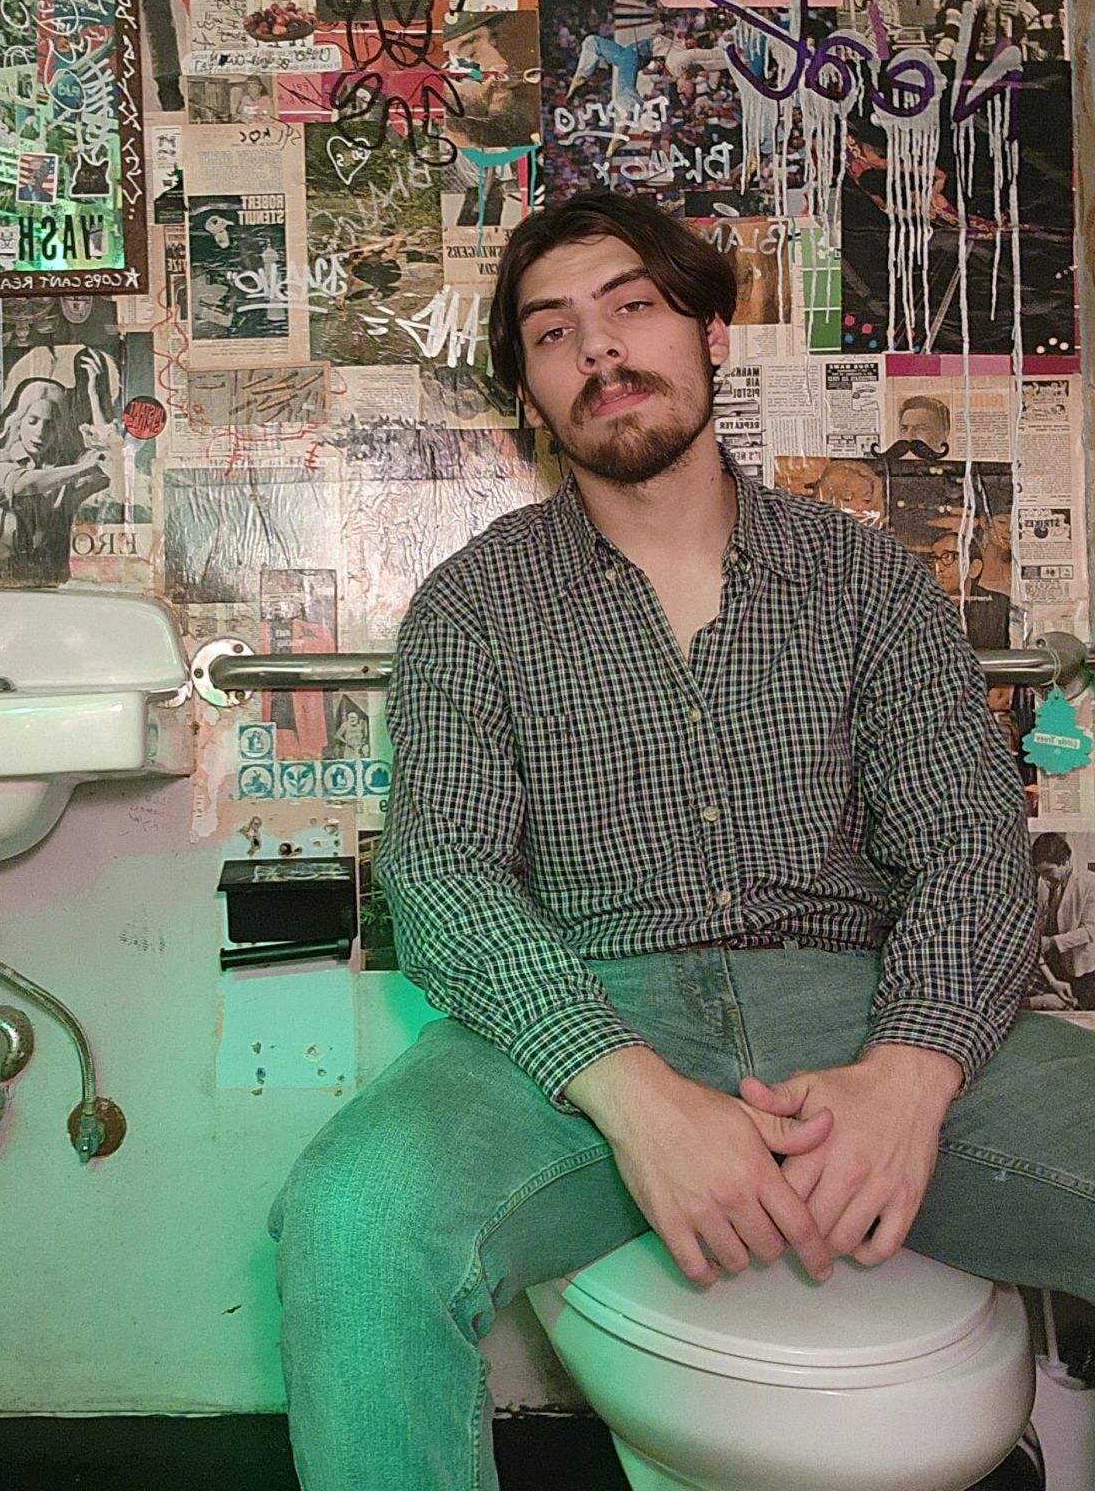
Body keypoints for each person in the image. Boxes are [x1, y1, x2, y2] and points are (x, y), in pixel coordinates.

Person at [266, 191, 1092, 1489]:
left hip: (863, 1002)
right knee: (352, 1216)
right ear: (530, 391)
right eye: (553, 332)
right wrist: (632, 1091)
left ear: (710, 333)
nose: (598, 348)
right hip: (588, 1022)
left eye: (632, 307)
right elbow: (441, 878)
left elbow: (968, 841)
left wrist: (911, 1071)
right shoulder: (473, 606)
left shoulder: (869, 580)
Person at [0, 373, 108, 586]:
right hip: (1, 574)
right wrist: (81, 468)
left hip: (51, 575)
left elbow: (105, 475)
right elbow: (22, 484)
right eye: (33, 421)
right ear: (18, 422)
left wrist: (95, 401)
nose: (40, 432)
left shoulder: (67, 464)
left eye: (51, 425)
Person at [1030, 834, 1095, 1012]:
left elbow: (1090, 931)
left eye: (1048, 871)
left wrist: (1052, 942)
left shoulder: (1090, 884)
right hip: (1055, 966)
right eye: (1041, 873)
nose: (1044, 878)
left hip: (1083, 969)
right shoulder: (1044, 882)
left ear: (1065, 861)